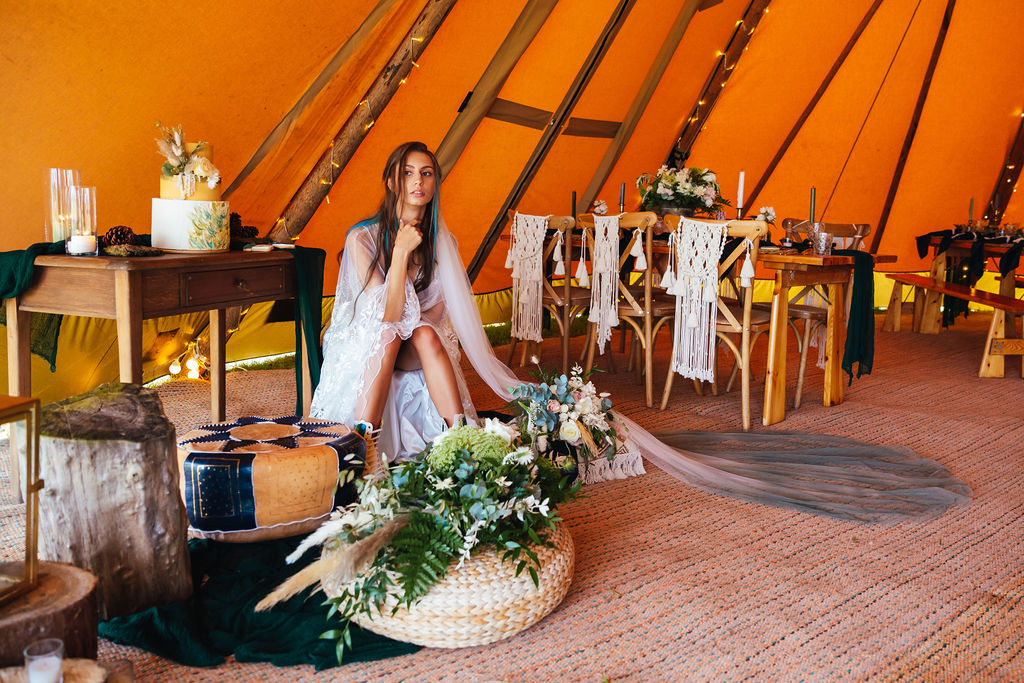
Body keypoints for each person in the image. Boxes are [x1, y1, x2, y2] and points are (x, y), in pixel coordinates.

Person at [311, 141, 969, 522]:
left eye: (428, 172)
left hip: (415, 352)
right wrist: (398, 255)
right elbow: (377, 319)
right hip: (368, 354)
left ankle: (461, 445)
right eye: (410, 173)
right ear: (392, 179)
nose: (420, 182)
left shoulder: (443, 238)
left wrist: (420, 275)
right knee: (400, 333)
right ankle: (358, 450)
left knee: (423, 339)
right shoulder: (363, 238)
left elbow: (441, 332)